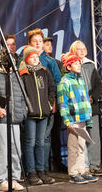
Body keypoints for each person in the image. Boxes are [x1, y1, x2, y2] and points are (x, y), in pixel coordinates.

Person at [0, 50, 27, 191]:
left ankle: (14, 178)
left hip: (15, 120)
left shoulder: (17, 77)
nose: (13, 63)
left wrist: (23, 112)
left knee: (16, 151)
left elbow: (22, 97)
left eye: (14, 60)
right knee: (1, 151)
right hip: (1, 121)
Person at [58, 54, 98, 185]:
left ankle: (82, 170)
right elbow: (63, 104)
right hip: (74, 120)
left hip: (82, 119)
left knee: (82, 146)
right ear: (68, 67)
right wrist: (67, 121)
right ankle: (74, 173)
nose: (79, 65)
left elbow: (86, 101)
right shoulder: (65, 82)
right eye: (75, 63)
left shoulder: (80, 81)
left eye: (78, 63)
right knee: (74, 147)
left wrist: (88, 117)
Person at [19, 47, 56, 185]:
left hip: (43, 113)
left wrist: (49, 103)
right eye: (32, 57)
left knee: (41, 142)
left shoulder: (44, 72)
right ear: (26, 59)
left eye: (37, 56)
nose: (36, 59)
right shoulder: (23, 74)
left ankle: (41, 171)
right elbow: (21, 94)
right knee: (30, 142)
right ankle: (31, 172)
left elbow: (52, 88)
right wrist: (26, 107)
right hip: (30, 114)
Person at [26, 29, 61, 177]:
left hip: (46, 107)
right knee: (31, 140)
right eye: (35, 41)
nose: (38, 44)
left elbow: (56, 83)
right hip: (31, 108)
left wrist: (53, 102)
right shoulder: (24, 62)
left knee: (44, 139)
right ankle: (31, 170)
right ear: (29, 44)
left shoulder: (50, 62)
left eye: (40, 41)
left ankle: (44, 168)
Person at [68, 40, 102, 177]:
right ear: (73, 51)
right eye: (78, 49)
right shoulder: (70, 66)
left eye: (83, 48)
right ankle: (85, 167)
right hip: (78, 109)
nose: (82, 51)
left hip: (91, 107)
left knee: (93, 137)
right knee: (82, 138)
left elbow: (98, 85)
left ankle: (95, 165)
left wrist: (93, 97)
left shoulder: (91, 65)